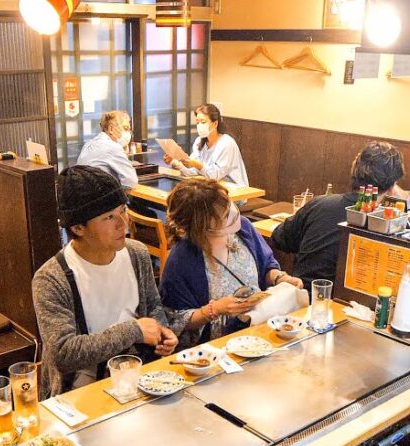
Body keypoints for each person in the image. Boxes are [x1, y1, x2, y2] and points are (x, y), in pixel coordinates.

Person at [32, 166, 179, 397]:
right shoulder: (52, 278)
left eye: (123, 210)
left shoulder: (136, 254)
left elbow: (153, 308)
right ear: (77, 227)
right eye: (109, 217)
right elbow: (63, 353)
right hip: (79, 394)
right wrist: (134, 330)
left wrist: (162, 333)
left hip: (137, 380)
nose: (123, 223)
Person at [160, 178, 302, 346]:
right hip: (220, 345)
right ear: (201, 225)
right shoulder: (181, 259)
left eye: (230, 204)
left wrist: (280, 277)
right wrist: (216, 309)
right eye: (225, 214)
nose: (234, 213)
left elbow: (266, 265)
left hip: (260, 328)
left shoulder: (244, 228)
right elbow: (174, 320)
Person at [270, 142, 404, 284]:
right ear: (392, 188)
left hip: (301, 292)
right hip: (345, 298)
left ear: (354, 172)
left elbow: (279, 238)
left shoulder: (319, 204)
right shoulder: (387, 226)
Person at [171, 104, 249, 186]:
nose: (199, 125)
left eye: (203, 122)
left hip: (232, 188)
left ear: (215, 124)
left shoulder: (227, 143)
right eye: (197, 122)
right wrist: (175, 162)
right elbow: (192, 172)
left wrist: (197, 165)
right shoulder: (199, 141)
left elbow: (215, 176)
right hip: (210, 186)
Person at [77, 110, 138, 188]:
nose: (128, 133)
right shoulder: (113, 147)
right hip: (102, 194)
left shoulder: (88, 144)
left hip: (84, 193)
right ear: (111, 129)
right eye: (125, 128)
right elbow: (130, 182)